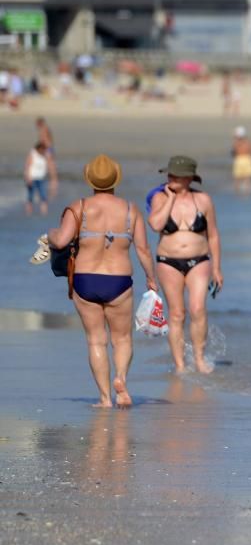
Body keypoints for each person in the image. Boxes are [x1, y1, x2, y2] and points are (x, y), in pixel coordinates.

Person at [46, 154, 157, 408]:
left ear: (90, 179)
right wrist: (151, 278)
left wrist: (50, 234)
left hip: (85, 281)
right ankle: (121, 380)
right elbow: (143, 250)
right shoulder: (130, 209)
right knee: (122, 339)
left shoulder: (79, 207)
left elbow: (61, 241)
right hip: (118, 281)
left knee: (96, 340)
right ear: (115, 179)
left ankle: (105, 399)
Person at [147, 156, 223, 374]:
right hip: (168, 262)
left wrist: (217, 268)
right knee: (177, 313)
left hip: (199, 261)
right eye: (168, 174)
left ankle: (199, 359)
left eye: (175, 175)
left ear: (188, 178)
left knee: (197, 309)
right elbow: (155, 225)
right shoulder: (159, 198)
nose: (170, 178)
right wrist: (170, 199)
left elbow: (214, 236)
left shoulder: (204, 200)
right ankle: (180, 364)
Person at [24, 142, 57, 215]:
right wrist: (27, 177)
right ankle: (28, 212)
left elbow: (50, 166)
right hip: (32, 178)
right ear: (38, 148)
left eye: (44, 150)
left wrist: (53, 178)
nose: (43, 151)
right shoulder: (33, 154)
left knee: (43, 195)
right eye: (42, 149)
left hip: (41, 178)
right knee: (30, 196)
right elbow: (27, 166)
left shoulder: (46, 155)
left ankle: (44, 212)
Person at [231, 126, 251, 194]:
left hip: (240, 159)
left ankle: (237, 192)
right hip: (246, 159)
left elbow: (233, 152)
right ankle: (247, 192)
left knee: (238, 178)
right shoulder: (247, 142)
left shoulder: (236, 143)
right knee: (246, 178)